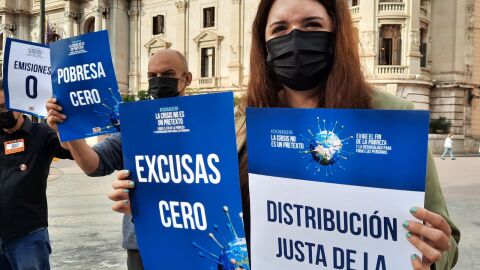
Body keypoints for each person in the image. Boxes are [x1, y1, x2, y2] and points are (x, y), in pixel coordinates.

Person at [111, 1, 460, 270]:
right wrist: (151, 202)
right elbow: (208, 211)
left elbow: (447, 243)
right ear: (264, 45)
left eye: (311, 25)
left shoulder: (392, 117)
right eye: (279, 29)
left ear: (336, 33)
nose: (295, 39)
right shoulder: (237, 121)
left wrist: (434, 254)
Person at [45, 49, 192, 270]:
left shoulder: (208, 119)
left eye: (167, 74)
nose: (158, 80)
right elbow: (94, 164)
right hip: (142, 241)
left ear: (187, 78)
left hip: (196, 239)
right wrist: (69, 129)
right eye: (152, 76)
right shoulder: (135, 123)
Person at [0, 83, 72, 270]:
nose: (2, 113)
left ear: (17, 105)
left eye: (3, 107)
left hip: (28, 237)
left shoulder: (42, 133)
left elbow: (71, 151)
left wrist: (62, 129)